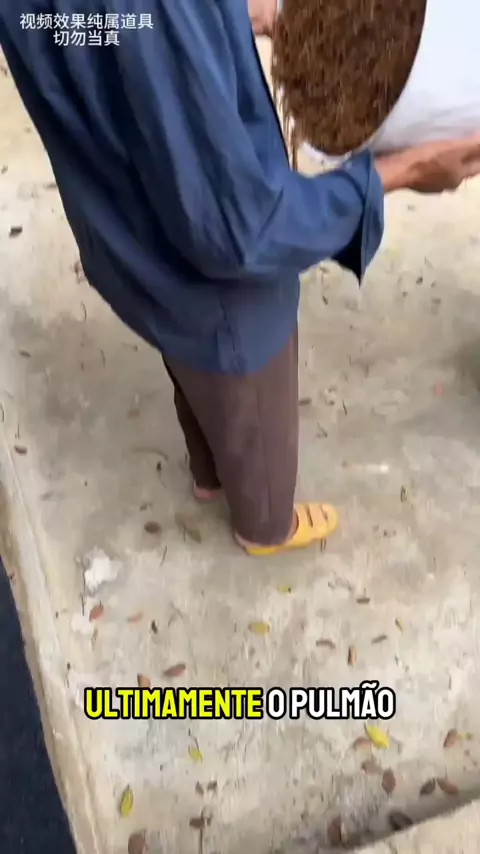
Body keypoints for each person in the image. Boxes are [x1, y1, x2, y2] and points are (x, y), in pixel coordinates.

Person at [2, 1, 480, 557]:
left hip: (126, 230)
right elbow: (240, 234)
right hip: (220, 294)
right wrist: (398, 172)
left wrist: (221, 20)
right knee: (250, 401)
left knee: (187, 356)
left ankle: (208, 473)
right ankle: (266, 526)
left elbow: (85, 32)